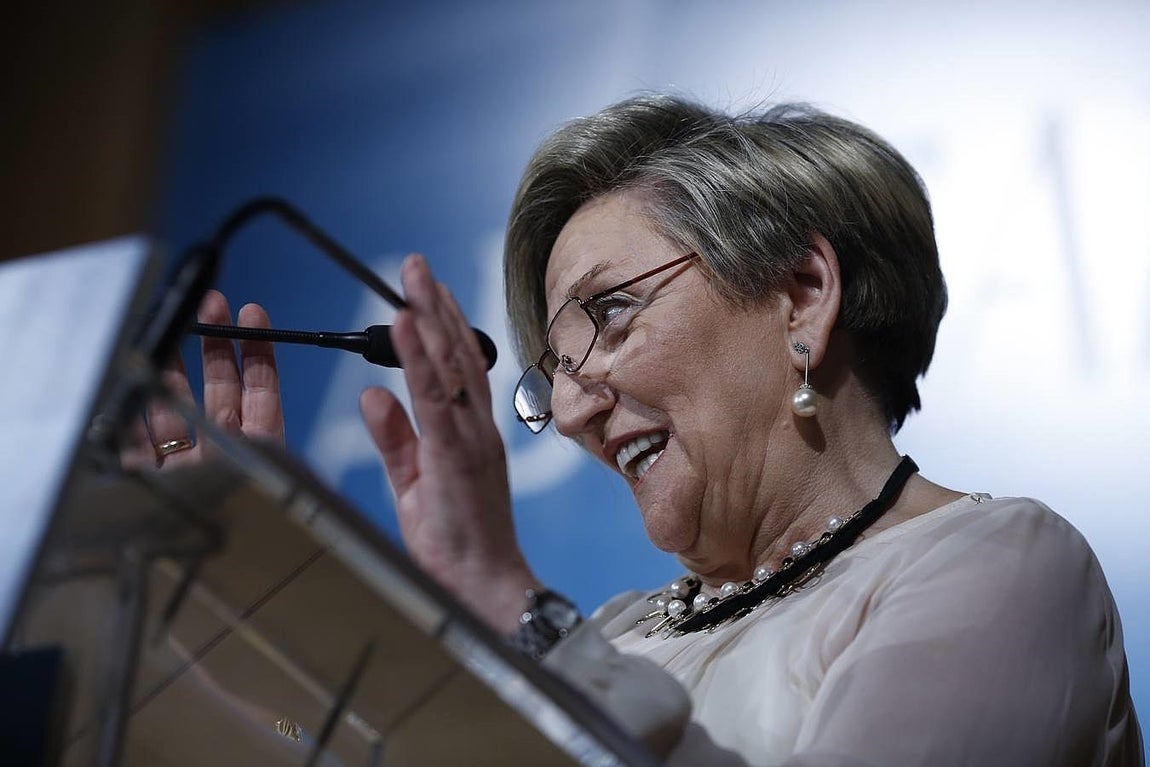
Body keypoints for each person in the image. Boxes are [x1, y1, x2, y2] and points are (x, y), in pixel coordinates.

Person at [153, 95, 1143, 765]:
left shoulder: (1000, 567)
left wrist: (513, 606)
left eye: (613, 314)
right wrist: (247, 618)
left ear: (800, 293)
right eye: (556, 371)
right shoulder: (617, 634)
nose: (574, 410)